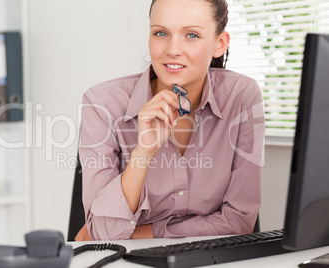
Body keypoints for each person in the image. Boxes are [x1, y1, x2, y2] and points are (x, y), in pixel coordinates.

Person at [75, 0, 264, 241]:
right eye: (161, 33)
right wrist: (143, 153)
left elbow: (238, 222)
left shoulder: (241, 96)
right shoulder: (102, 104)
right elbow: (102, 233)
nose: (172, 49)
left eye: (192, 35)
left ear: (220, 44)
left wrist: (147, 233)